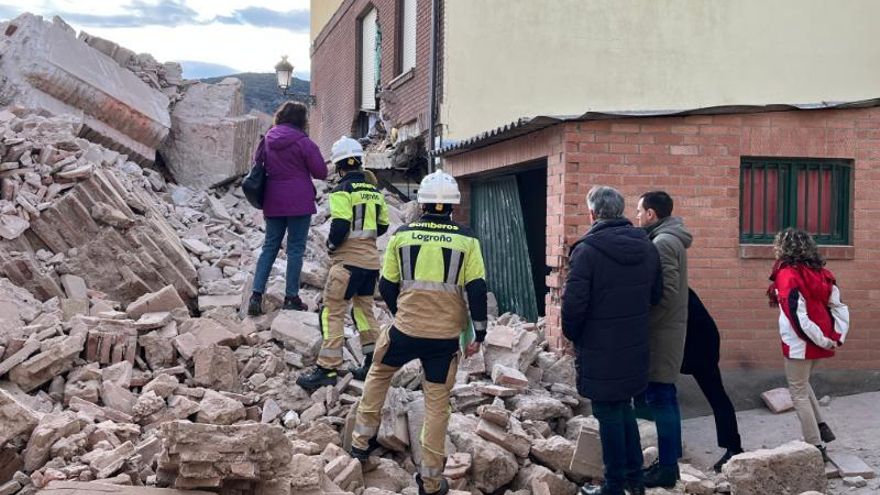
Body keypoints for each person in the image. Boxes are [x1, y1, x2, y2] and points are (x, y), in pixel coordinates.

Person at [350, 170, 488, 495]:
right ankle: (429, 480)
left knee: (378, 376)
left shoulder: (402, 236)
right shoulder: (467, 240)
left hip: (404, 330)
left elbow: (385, 285)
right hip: (443, 340)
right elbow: (477, 289)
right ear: (453, 206)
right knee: (437, 405)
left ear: (421, 203)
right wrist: (478, 334)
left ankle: (360, 444)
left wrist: (402, 314)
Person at [563, 186, 662, 495]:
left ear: (592, 213)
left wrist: (576, 335)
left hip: (600, 349)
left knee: (608, 414)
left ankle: (614, 485)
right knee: (624, 411)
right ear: (620, 212)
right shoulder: (647, 246)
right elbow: (656, 295)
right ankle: (634, 480)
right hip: (634, 345)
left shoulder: (587, 251)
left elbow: (573, 308)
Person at [296, 136, 390, 390]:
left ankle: (327, 368)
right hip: (370, 265)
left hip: (347, 263)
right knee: (364, 311)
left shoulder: (342, 191)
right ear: (359, 162)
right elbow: (383, 225)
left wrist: (332, 245)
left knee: (333, 312)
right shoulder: (374, 191)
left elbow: (340, 224)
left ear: (339, 167)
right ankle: (373, 362)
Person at [767, 228, 849, 462]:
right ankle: (822, 426)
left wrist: (818, 338)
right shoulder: (821, 272)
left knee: (798, 393)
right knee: (803, 385)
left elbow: (796, 316)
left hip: (800, 342)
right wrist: (833, 336)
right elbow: (838, 305)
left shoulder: (788, 274)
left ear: (783, 247)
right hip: (820, 337)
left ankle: (816, 445)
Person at [635, 190, 692, 488]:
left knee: (662, 397)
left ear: (651, 214)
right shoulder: (667, 239)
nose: (637, 216)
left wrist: (642, 320)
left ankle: (668, 467)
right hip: (666, 330)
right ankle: (668, 462)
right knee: (663, 396)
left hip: (662, 333)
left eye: (639, 211)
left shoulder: (663, 243)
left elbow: (666, 294)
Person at [248, 101, 328, 316]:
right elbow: (321, 172)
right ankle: (291, 297)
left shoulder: (267, 139)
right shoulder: (304, 142)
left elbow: (257, 163)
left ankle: (256, 295)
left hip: (273, 199)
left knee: (269, 247)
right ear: (302, 120)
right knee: (295, 249)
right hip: (300, 200)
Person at [681, 288, 743, 472]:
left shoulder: (672, 291)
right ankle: (734, 447)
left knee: (716, 396)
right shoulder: (681, 289)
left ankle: (733, 447)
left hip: (697, 349)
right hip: (699, 346)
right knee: (718, 396)